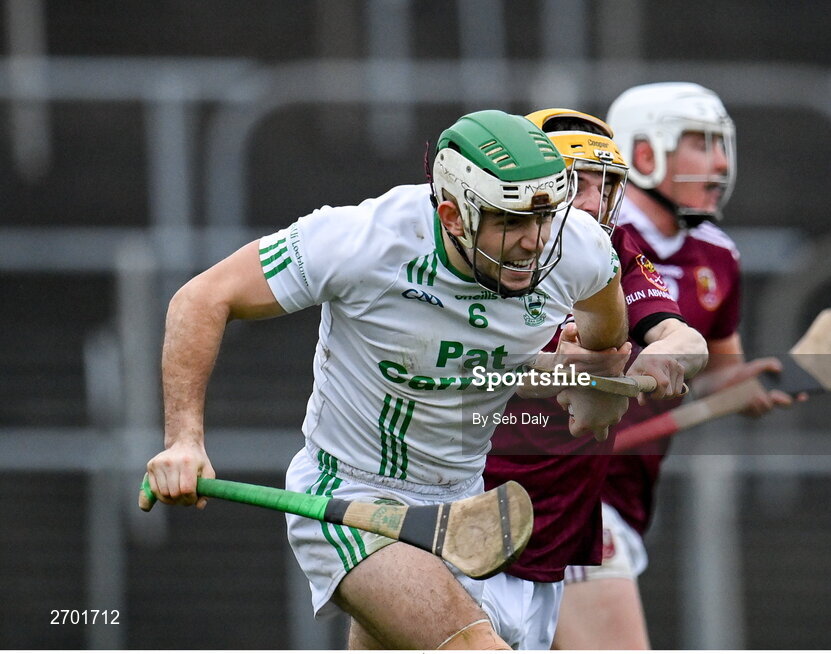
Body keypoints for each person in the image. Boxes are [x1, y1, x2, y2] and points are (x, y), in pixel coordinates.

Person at [144, 109, 636, 650]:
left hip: (461, 510)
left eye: (544, 219)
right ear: (452, 215)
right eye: (509, 222)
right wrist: (184, 441)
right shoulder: (365, 241)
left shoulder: (575, 245)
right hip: (352, 499)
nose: (533, 242)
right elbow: (202, 298)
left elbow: (605, 332)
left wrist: (598, 384)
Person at [553, 83, 804, 650]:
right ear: (644, 154)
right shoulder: (584, 241)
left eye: (722, 145)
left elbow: (717, 370)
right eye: (700, 144)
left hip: (626, 494)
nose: (720, 163)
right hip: (564, 489)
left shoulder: (718, 256)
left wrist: (739, 388)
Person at [481, 108, 708, 649]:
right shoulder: (484, 254)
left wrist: (657, 360)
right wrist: (553, 371)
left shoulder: (616, 253)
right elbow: (468, 366)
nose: (589, 203)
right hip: (467, 506)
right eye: (572, 184)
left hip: (560, 526)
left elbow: (687, 341)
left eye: (603, 187)